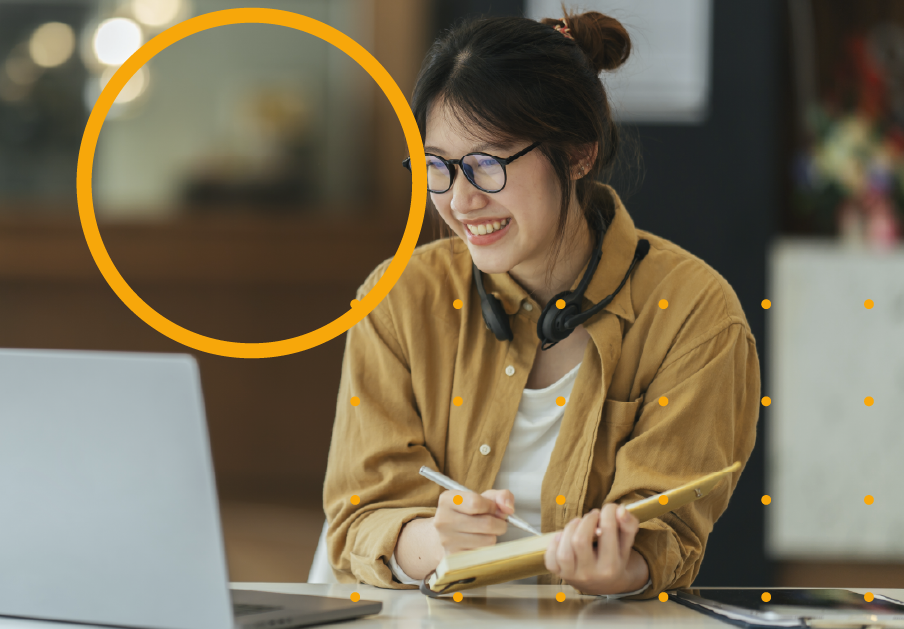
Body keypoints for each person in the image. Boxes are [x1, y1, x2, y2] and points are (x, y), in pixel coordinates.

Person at [321, 10, 760, 599]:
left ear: (578, 153)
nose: (461, 200)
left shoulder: (695, 315)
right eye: (438, 167)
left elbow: (667, 537)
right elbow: (357, 516)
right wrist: (433, 541)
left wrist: (618, 570)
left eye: (486, 164)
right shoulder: (399, 299)